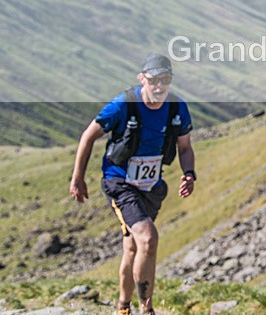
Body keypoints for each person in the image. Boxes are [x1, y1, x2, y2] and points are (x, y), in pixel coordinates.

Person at [69, 54, 196, 315]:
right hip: (119, 182)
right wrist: (78, 177)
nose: (159, 86)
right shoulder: (123, 104)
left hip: (151, 186)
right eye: (154, 80)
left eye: (166, 80)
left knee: (132, 246)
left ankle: (123, 307)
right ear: (142, 79)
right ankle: (146, 309)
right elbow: (88, 136)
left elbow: (184, 147)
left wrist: (189, 173)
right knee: (148, 238)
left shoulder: (176, 108)